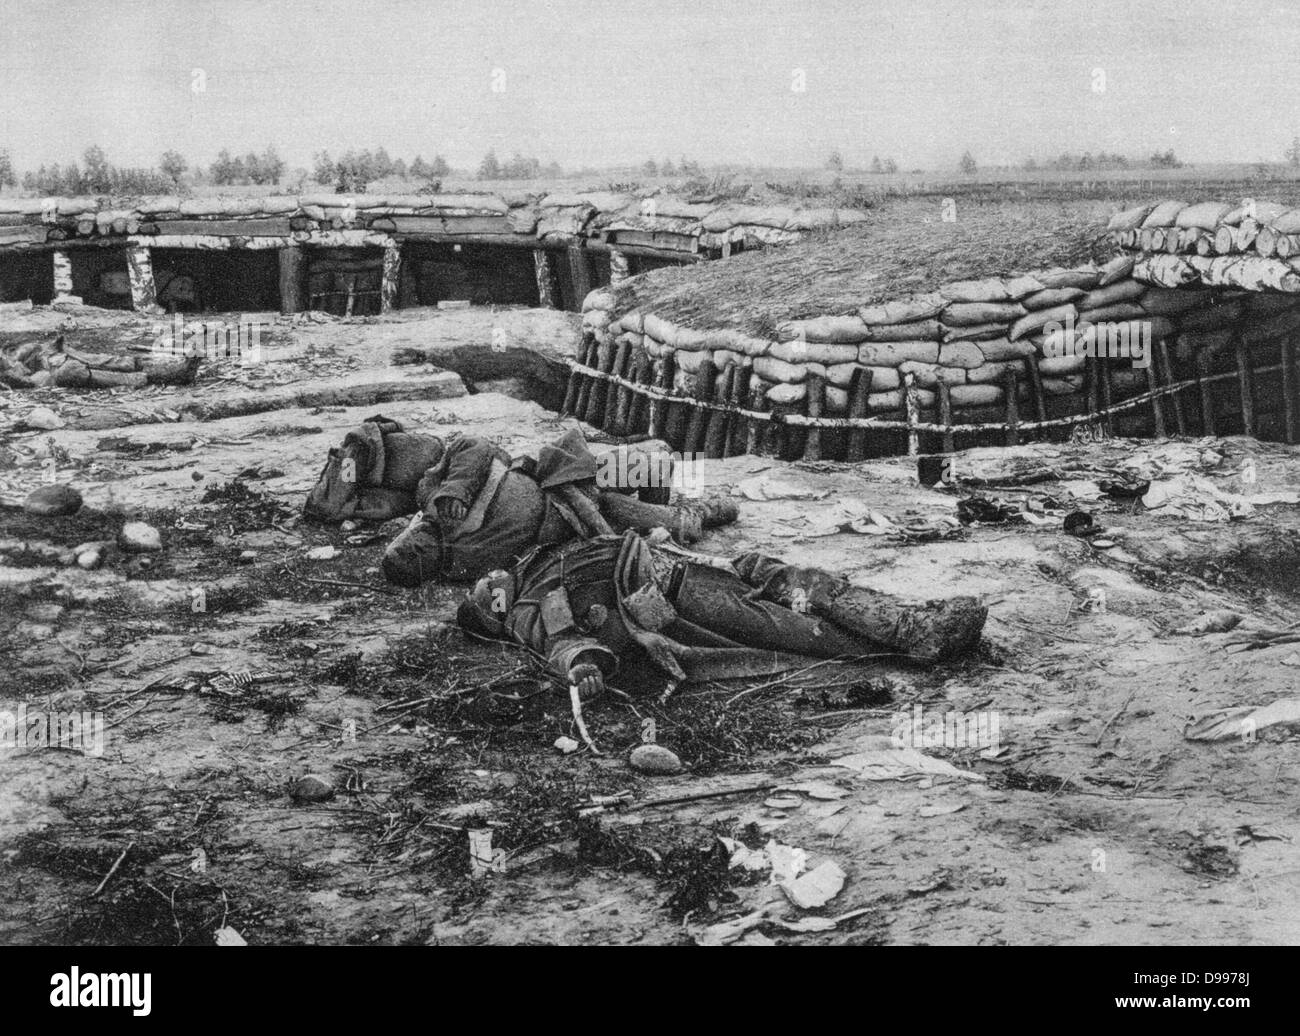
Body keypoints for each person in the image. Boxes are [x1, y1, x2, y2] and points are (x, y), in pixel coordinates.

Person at [457, 529, 987, 701]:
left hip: (678, 567)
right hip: (677, 595)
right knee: (793, 626)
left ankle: (906, 621)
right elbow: (561, 639)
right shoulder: (528, 607)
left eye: (484, 583)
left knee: (789, 581)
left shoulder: (538, 560)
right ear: (493, 614)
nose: (488, 584)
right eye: (485, 596)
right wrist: (583, 664)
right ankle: (912, 637)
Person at [380, 427, 737, 585]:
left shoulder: (432, 498)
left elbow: (474, 444)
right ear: (425, 574)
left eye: (405, 547)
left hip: (562, 473)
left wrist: (456, 490)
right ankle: (702, 514)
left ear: (404, 536)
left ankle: (662, 469)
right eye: (415, 560)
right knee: (641, 516)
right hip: (572, 517)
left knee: (657, 465)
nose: (415, 548)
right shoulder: (465, 570)